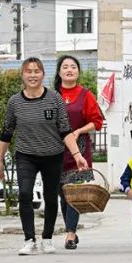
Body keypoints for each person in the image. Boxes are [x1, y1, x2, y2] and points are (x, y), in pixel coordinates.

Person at [0, 58, 88, 256]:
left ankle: (47, 238)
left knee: (51, 197)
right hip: (25, 156)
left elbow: (65, 131)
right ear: (22, 75)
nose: (32, 75)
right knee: (25, 194)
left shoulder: (54, 99)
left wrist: (77, 155)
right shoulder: (15, 102)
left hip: (53, 155)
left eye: (36, 71)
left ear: (43, 75)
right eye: (28, 71)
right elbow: (6, 133)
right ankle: (29, 239)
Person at [54, 54, 105, 250]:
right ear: (59, 72)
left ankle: (70, 234)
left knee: (73, 193)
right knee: (62, 194)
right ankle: (70, 229)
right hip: (56, 151)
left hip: (79, 151)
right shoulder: (52, 95)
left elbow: (97, 121)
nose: (69, 70)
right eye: (65, 66)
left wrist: (79, 131)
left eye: (73, 67)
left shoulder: (86, 95)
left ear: (78, 71)